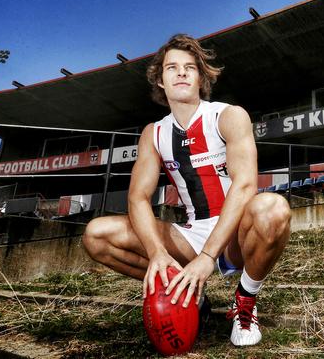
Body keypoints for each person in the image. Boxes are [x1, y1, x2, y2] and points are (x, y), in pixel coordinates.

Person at [82, 34, 291, 346]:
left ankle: (244, 301)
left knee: (273, 208)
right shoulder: (154, 134)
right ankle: (189, 290)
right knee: (96, 235)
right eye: (172, 67)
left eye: (189, 68)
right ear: (161, 81)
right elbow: (138, 198)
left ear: (201, 78)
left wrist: (209, 257)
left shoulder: (228, 116)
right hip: (190, 236)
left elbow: (246, 185)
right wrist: (156, 253)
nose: (180, 72)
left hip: (234, 231)